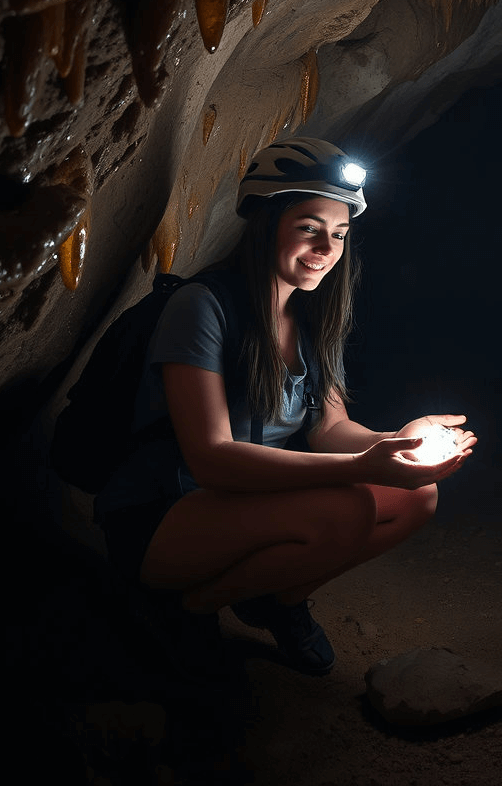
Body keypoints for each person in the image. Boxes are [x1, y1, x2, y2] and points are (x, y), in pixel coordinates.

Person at [93, 137, 475, 677]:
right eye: (308, 227)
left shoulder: (312, 317)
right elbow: (211, 458)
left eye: (340, 234)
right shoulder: (202, 308)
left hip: (249, 503)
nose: (327, 247)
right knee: (346, 508)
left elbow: (330, 428)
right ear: (266, 222)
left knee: (416, 497)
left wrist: (398, 441)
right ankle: (182, 609)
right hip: (166, 513)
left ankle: (276, 600)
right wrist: (361, 467)